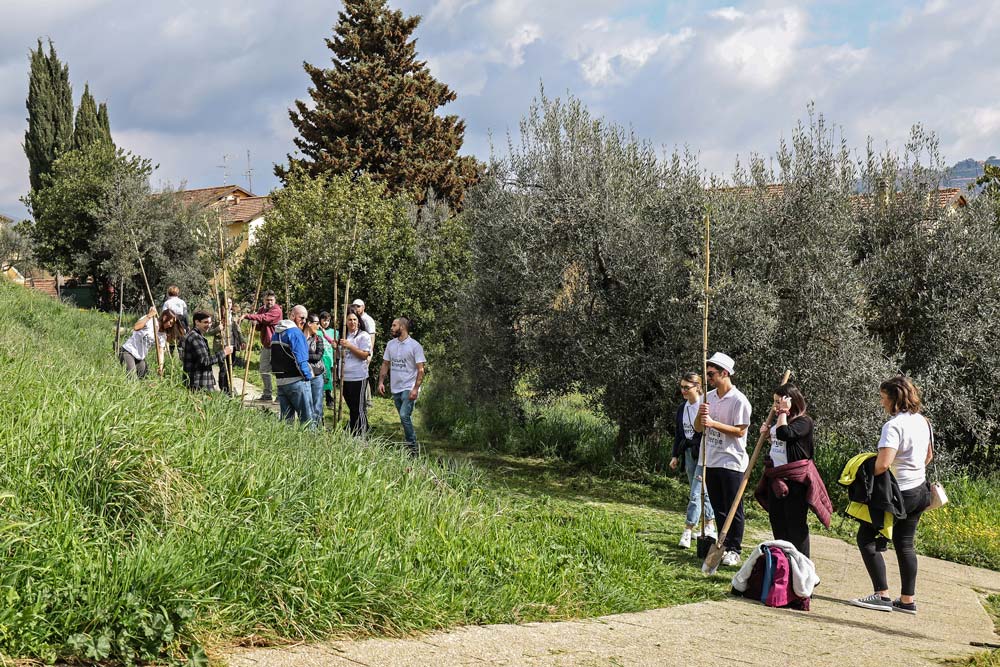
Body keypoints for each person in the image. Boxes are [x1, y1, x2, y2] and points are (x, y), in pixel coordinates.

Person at [850, 376, 933, 615]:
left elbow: (882, 465)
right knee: (905, 544)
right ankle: (907, 600)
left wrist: (864, 466)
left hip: (898, 493)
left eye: (883, 397)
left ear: (894, 399)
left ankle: (881, 595)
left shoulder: (893, 426)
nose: (881, 402)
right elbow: (928, 457)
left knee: (866, 538)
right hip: (920, 490)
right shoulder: (923, 422)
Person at [755, 383, 830, 558]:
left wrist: (782, 412)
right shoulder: (780, 422)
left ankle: (802, 566)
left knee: (795, 526)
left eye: (778, 402)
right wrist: (767, 435)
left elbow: (785, 434)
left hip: (795, 482)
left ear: (791, 402)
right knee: (778, 522)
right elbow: (780, 442)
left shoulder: (804, 422)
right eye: (774, 402)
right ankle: (783, 563)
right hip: (776, 479)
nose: (775, 407)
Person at [695, 352, 752, 567]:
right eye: (707, 374)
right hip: (710, 459)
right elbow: (698, 428)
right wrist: (701, 416)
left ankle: (735, 549)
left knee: (733, 507)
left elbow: (739, 431)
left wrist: (712, 422)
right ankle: (723, 543)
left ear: (724, 373)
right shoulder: (708, 397)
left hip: (732, 461)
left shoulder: (739, 401)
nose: (708, 378)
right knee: (718, 506)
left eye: (711, 374)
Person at [669, 373, 716, 548]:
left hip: (704, 452)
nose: (683, 391)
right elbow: (679, 433)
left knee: (696, 493)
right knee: (699, 490)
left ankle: (688, 529)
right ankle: (710, 524)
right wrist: (675, 455)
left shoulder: (705, 403)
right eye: (681, 387)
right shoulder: (683, 407)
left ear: (697, 386)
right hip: (688, 452)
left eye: (686, 387)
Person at [378, 316, 426, 457]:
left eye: (394, 325)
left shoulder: (415, 346)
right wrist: (381, 382)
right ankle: (409, 443)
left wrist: (415, 389)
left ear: (402, 327)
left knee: (404, 415)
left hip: (409, 387)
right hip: (396, 387)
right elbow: (385, 364)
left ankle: (412, 450)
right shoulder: (390, 344)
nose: (391, 328)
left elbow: (421, 369)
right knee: (404, 417)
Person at [270, 305, 314, 426]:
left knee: (286, 422)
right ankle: (311, 443)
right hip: (296, 382)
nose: (304, 321)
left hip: (281, 382)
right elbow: (301, 360)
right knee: (307, 420)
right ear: (292, 316)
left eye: (305, 318)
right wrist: (308, 377)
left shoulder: (276, 333)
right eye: (302, 317)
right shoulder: (295, 333)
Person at [335, 307, 372, 436]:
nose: (352, 322)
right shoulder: (342, 335)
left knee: (359, 407)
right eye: (349, 320)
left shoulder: (363, 336)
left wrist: (350, 346)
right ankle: (357, 429)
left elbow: (364, 355)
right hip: (344, 376)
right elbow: (340, 355)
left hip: (358, 376)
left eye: (355, 319)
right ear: (345, 321)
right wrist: (337, 348)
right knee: (352, 407)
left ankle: (361, 434)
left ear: (359, 321)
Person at [241, 290, 282, 402]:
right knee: (263, 369)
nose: (269, 302)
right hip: (266, 345)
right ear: (264, 300)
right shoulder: (262, 309)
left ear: (275, 300)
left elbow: (265, 318)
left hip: (276, 345)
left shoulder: (276, 310)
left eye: (271, 300)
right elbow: (259, 324)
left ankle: (280, 395)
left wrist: (248, 316)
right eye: (267, 300)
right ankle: (267, 394)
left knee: (278, 371)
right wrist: (255, 322)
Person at [181, 310, 233, 391]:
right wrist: (224, 352)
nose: (209, 325)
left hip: (199, 381)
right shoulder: (195, 337)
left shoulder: (196, 335)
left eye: (210, 322)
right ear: (197, 322)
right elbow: (205, 361)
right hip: (198, 384)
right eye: (206, 322)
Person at [119, 307, 176, 378]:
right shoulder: (151, 321)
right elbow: (136, 327)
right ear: (164, 317)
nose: (170, 325)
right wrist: (149, 315)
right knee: (132, 378)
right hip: (128, 351)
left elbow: (161, 352)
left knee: (145, 378)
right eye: (170, 322)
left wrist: (160, 367)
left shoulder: (162, 335)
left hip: (140, 357)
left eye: (172, 324)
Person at [207, 296, 242, 395]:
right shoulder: (217, 315)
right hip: (221, 345)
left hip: (232, 345)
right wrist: (218, 328)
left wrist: (242, 341)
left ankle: (229, 388)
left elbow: (238, 330)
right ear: (222, 305)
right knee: (223, 368)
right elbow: (209, 332)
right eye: (227, 303)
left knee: (230, 368)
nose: (229, 305)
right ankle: (223, 389)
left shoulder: (234, 315)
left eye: (230, 303)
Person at [303, 312, 327, 427]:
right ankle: (308, 428)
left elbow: (318, 356)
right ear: (309, 323)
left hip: (317, 375)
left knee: (317, 404)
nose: (319, 326)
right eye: (316, 323)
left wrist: (302, 356)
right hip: (303, 375)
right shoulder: (300, 338)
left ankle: (317, 428)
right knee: (306, 403)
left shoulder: (318, 339)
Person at [353, 298, 377, 407]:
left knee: (364, 374)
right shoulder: (354, 318)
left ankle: (368, 400)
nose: (356, 308)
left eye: (358, 306)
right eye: (355, 306)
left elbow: (372, 337)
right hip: (356, 351)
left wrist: (369, 354)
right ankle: (363, 399)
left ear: (363, 307)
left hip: (364, 352)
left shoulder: (367, 320)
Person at [319, 311, 338, 407]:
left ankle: (329, 397)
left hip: (330, 359)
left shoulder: (334, 332)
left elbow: (336, 346)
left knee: (329, 379)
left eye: (328, 321)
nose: (326, 323)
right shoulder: (316, 331)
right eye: (324, 320)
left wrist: (336, 360)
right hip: (319, 360)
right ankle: (319, 397)